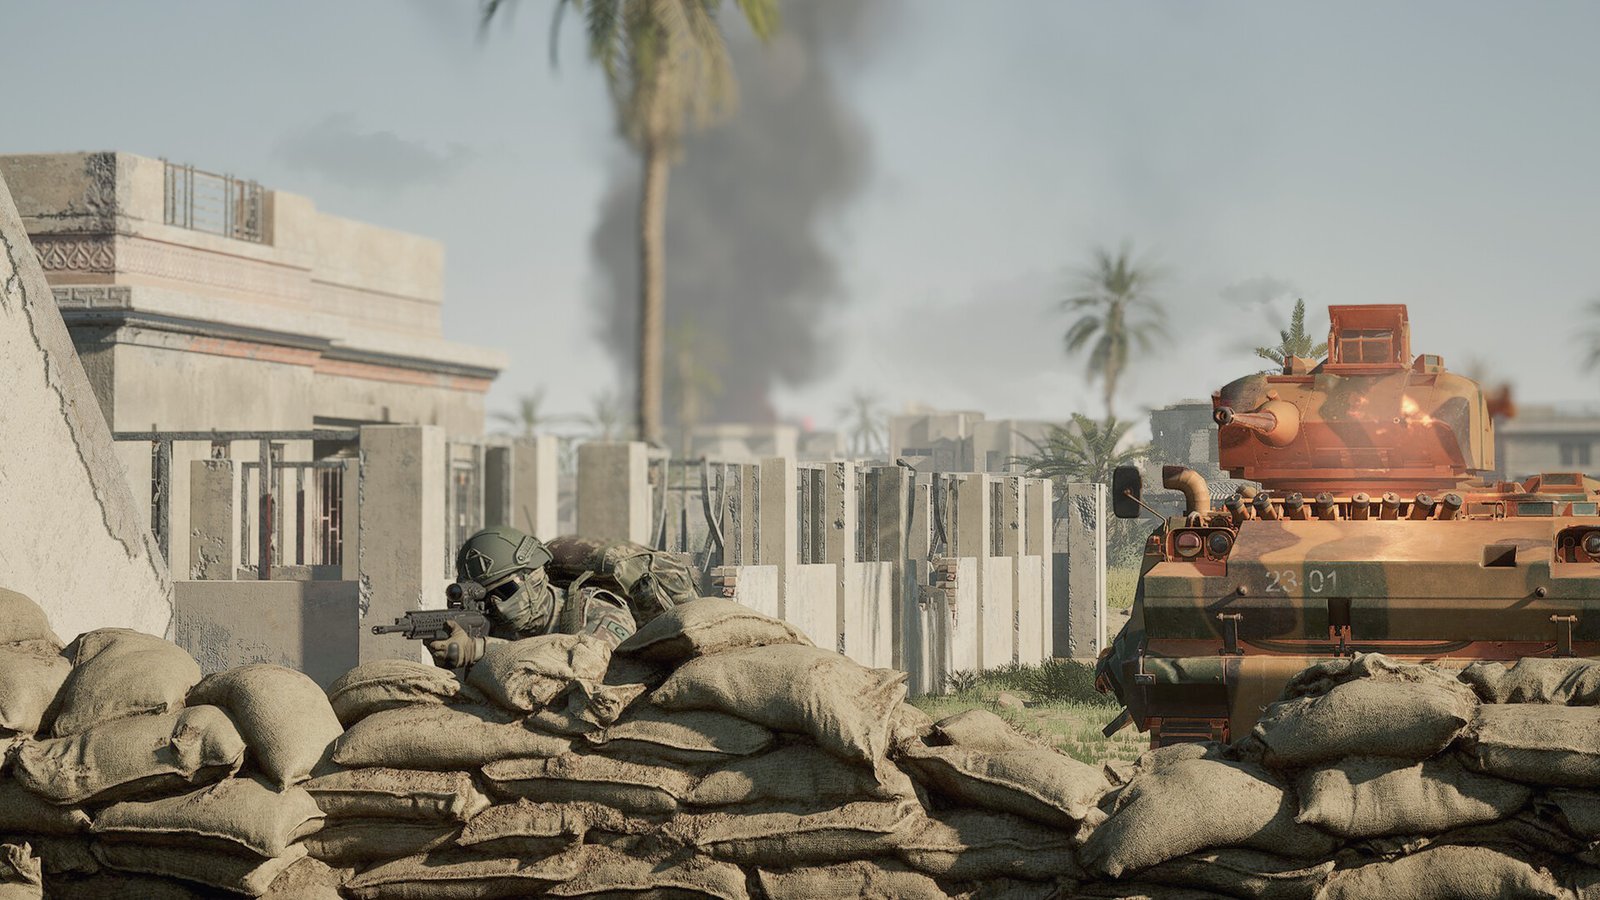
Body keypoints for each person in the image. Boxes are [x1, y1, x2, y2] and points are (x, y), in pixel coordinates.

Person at [427, 526, 700, 668]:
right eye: (485, 598)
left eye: (505, 590)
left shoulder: (598, 611)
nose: (496, 604)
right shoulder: (494, 624)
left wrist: (483, 650)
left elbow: (585, 670)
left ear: (535, 576)